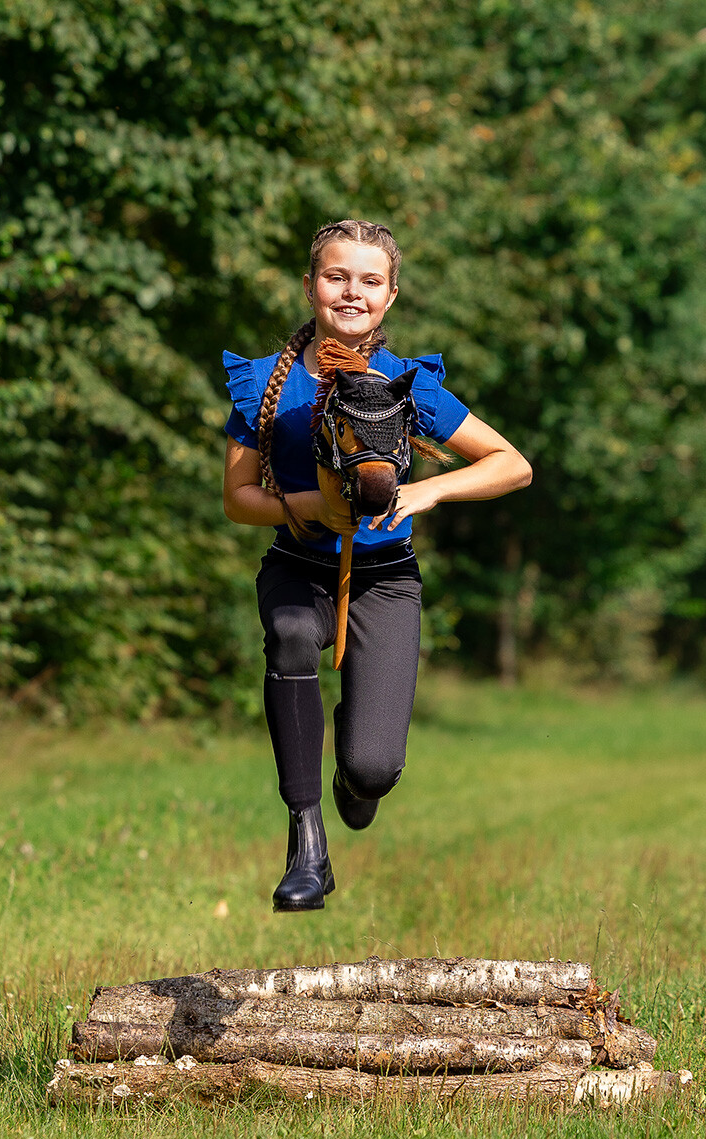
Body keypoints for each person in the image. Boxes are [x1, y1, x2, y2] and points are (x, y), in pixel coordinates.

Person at [222, 219, 532, 912]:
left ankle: (353, 780)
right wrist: (306, 507)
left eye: (369, 280)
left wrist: (427, 488)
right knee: (294, 633)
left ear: (390, 296)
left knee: (373, 767)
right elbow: (239, 500)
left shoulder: (407, 386)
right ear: (309, 287)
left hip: (386, 579)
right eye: (336, 277)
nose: (351, 292)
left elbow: (514, 465)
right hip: (296, 565)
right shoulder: (264, 386)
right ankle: (306, 846)